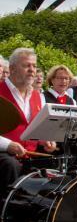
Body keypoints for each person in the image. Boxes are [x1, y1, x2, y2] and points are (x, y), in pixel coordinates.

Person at [0, 48, 55, 199]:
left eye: (34, 66)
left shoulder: (38, 96)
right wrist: (7, 145)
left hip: (29, 154)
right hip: (4, 154)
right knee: (10, 165)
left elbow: (35, 128)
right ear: (12, 69)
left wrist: (44, 140)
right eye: (27, 66)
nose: (32, 70)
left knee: (55, 167)